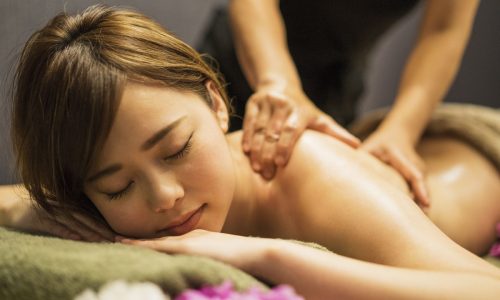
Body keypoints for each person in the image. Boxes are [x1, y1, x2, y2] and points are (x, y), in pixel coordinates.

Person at [1, 5, 499, 299]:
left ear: (218, 105)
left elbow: (483, 290)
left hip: (478, 148)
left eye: (176, 149)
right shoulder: (91, 194)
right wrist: (37, 206)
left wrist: (269, 255)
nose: (165, 197)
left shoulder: (313, 174)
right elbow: (16, 200)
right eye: (118, 186)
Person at [200, 0, 480, 206]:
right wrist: (277, 81)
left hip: (335, 82)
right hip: (242, 56)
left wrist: (401, 131)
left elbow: (444, 30)